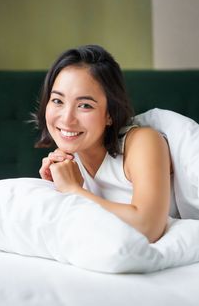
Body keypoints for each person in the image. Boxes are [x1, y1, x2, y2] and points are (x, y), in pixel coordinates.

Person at [34, 45, 172, 243]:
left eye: (85, 105)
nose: (67, 119)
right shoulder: (69, 155)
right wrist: (56, 190)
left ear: (109, 114)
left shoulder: (143, 141)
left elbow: (149, 226)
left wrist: (74, 191)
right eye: (57, 101)